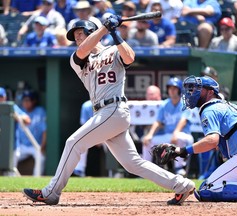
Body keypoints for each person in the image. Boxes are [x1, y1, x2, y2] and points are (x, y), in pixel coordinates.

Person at [22, 17, 195, 206]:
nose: (77, 38)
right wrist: (104, 28)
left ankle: (51, 192)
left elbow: (130, 57)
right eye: (75, 36)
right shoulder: (78, 59)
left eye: (80, 33)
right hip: (102, 113)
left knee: (73, 143)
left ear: (91, 30)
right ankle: (182, 185)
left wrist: (114, 32)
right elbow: (82, 50)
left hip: (115, 109)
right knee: (132, 163)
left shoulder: (113, 50)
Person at [159, 75, 237, 202]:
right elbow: (217, 142)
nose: (192, 93)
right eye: (192, 89)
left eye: (198, 88)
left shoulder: (209, 108)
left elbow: (212, 141)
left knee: (207, 190)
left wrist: (182, 150)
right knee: (210, 186)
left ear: (210, 92)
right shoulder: (225, 104)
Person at [142, 77, 194, 176]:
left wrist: (175, 133)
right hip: (169, 136)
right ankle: (145, 169)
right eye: (170, 88)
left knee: (178, 138)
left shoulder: (185, 103)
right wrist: (149, 134)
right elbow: (158, 122)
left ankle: (179, 168)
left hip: (184, 136)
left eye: (174, 88)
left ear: (179, 89)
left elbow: (183, 121)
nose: (172, 90)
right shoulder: (164, 104)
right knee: (147, 141)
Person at [0, 87, 31, 173]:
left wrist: (16, 116)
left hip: (11, 147)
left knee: (10, 173)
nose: (0, 99)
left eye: (1, 96)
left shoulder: (12, 107)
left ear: (4, 97)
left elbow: (28, 120)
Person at [17, 90, 47, 176]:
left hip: (35, 145)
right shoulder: (20, 111)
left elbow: (45, 131)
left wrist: (42, 146)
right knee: (11, 159)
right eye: (24, 100)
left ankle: (36, 179)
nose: (26, 103)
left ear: (34, 101)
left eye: (28, 100)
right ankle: (9, 177)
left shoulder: (40, 111)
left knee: (41, 158)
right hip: (21, 146)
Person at [72, 100, 93, 177]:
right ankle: (80, 169)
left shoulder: (107, 104)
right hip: (92, 134)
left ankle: (113, 173)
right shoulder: (87, 105)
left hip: (108, 134)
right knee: (81, 142)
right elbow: (84, 126)